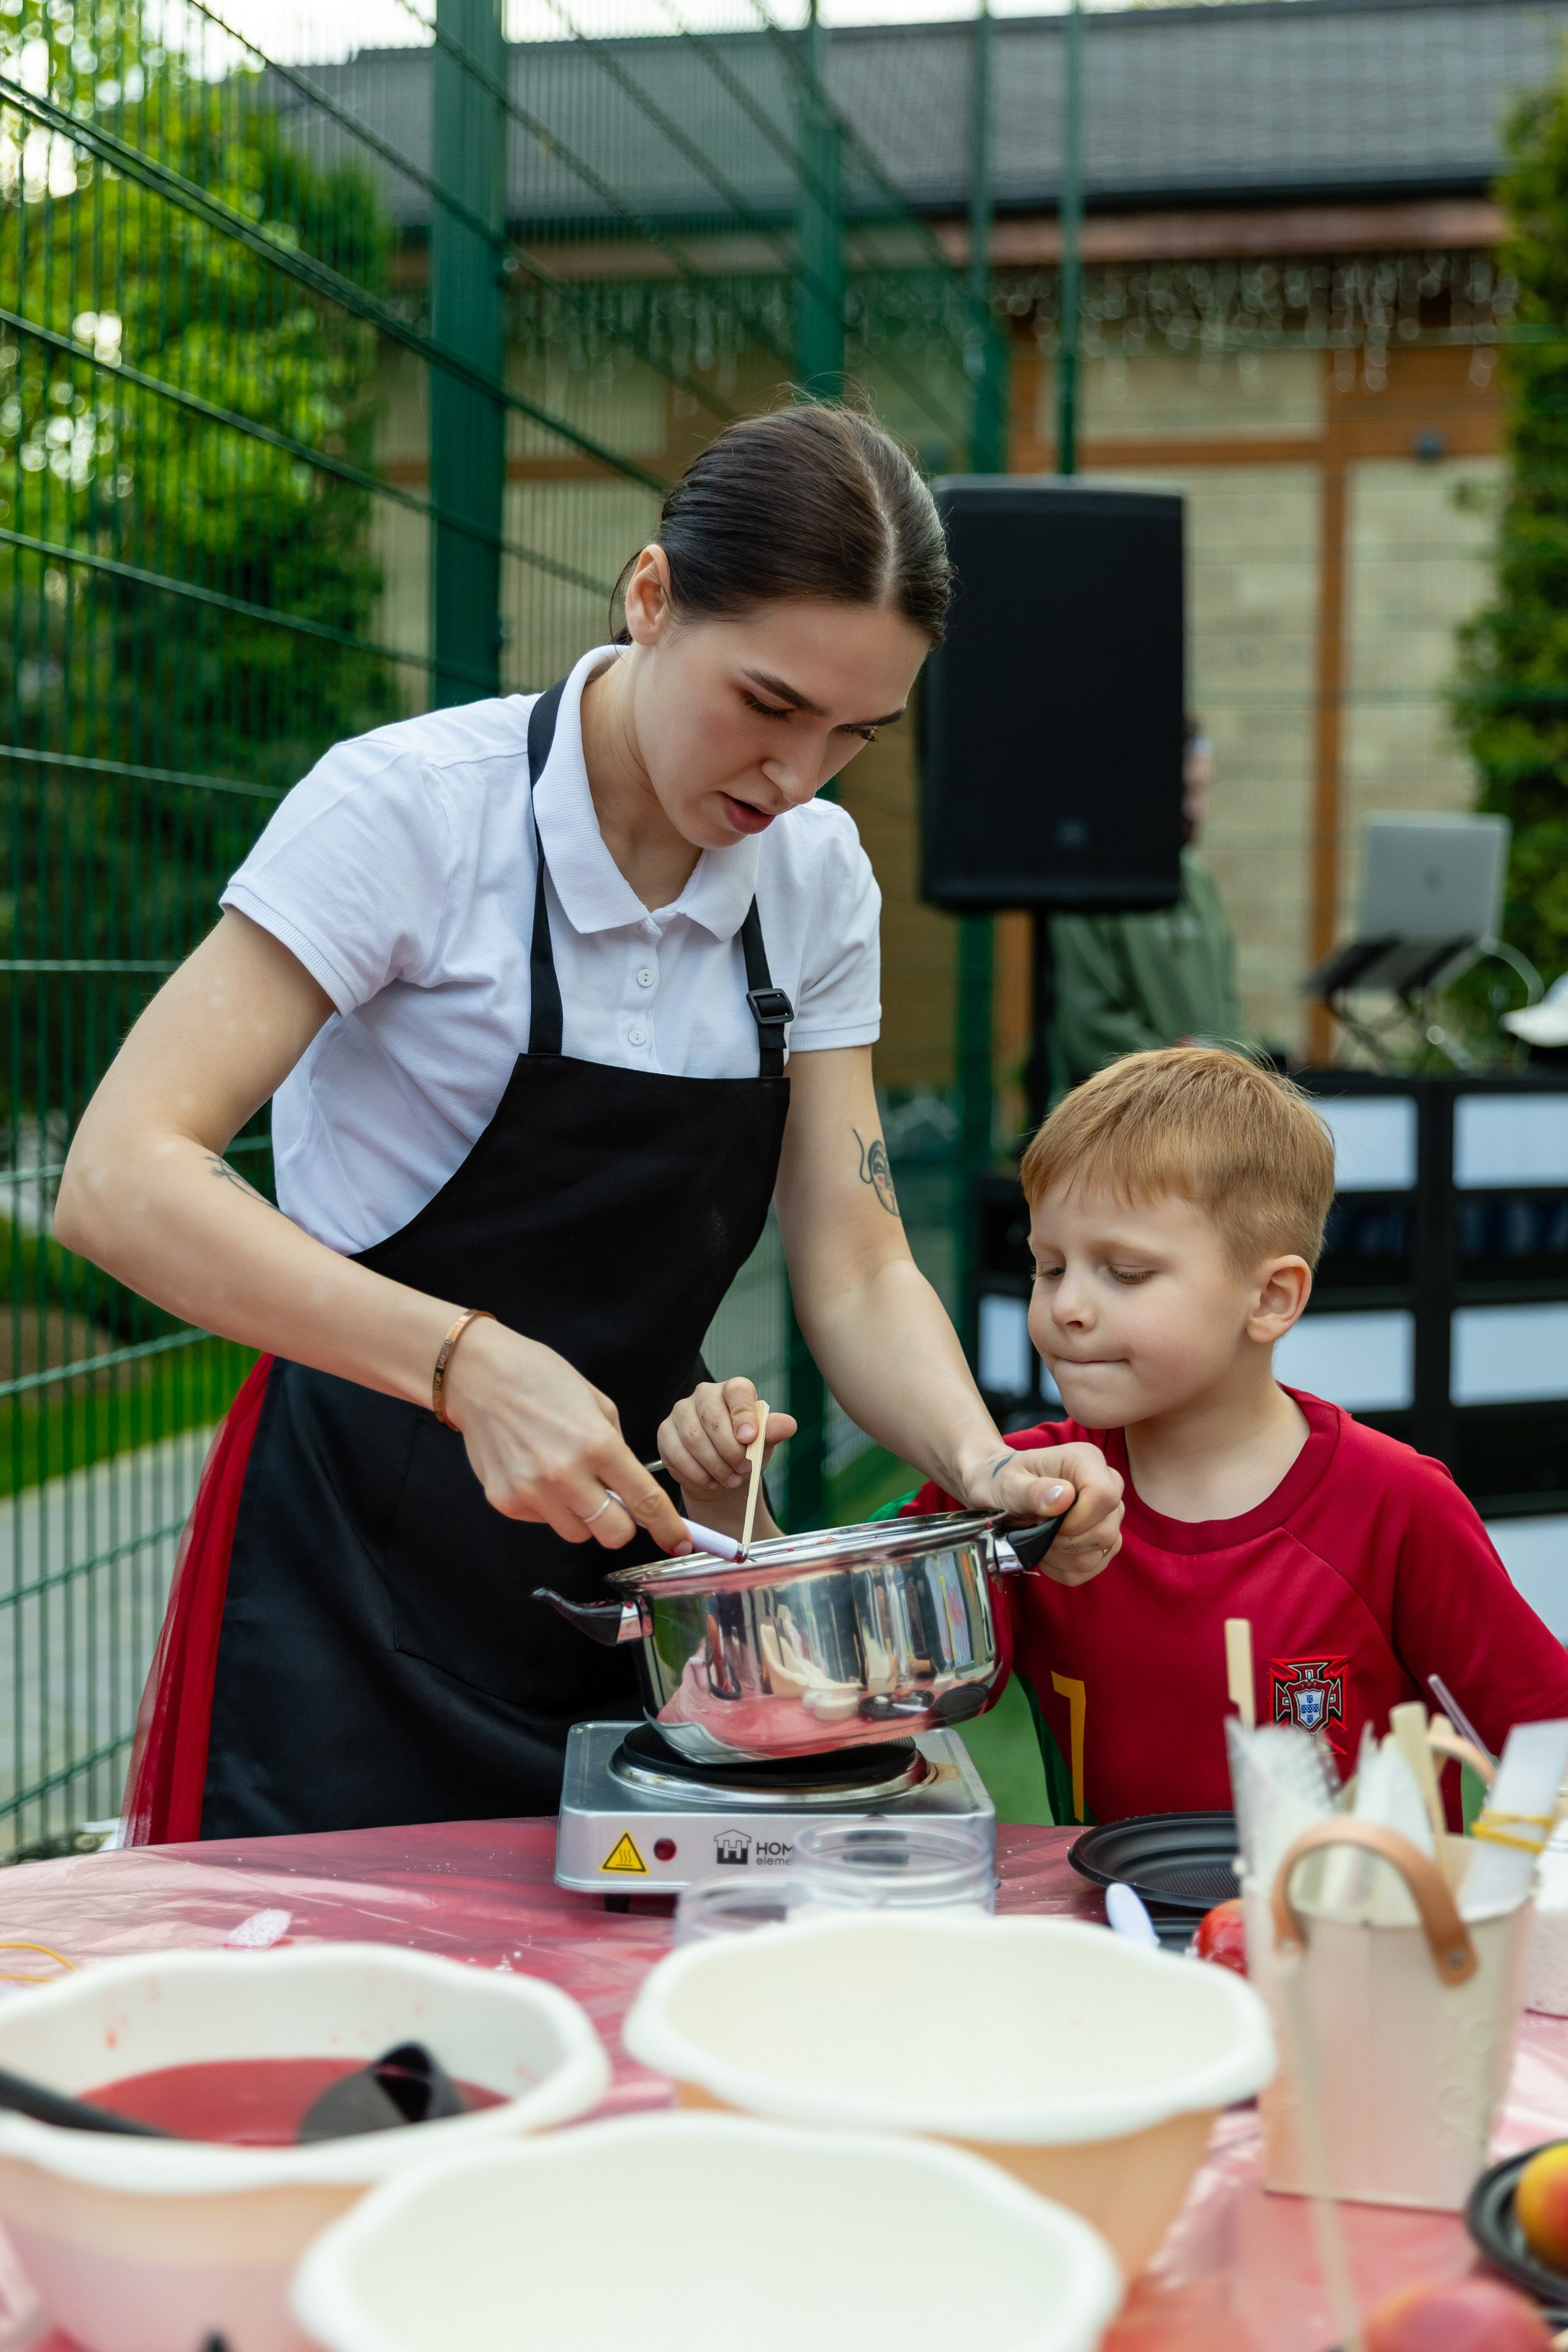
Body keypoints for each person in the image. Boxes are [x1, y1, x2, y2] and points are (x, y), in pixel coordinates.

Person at [56, 404, 1123, 1845]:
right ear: (649, 596)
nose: (796, 777)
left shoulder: (814, 880)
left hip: (643, 1593)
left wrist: (981, 1459)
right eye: (766, 703)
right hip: (341, 1581)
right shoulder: (411, 814)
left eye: (854, 736)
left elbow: (858, 1259)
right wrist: (464, 1363)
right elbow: (120, 1180)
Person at [878, 1047, 1568, 1826]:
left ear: (1271, 1297)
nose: (1065, 1306)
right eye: (1047, 1266)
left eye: (1125, 1273)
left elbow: (1547, 1745)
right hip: (1115, 1941)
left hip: (1348, 1943)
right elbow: (850, 1670)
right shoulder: (1025, 1487)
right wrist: (738, 1504)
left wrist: (1488, 1910)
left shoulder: (1396, 1506)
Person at [1052, 718, 1254, 1086]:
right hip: (1123, 1124)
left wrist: (1236, 1071)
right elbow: (1091, 1026)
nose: (1195, 810)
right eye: (1182, 791)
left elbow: (1227, 1010)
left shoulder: (1197, 877)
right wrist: (1192, 1077)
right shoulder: (1090, 881)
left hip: (1206, 1117)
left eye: (1202, 791)